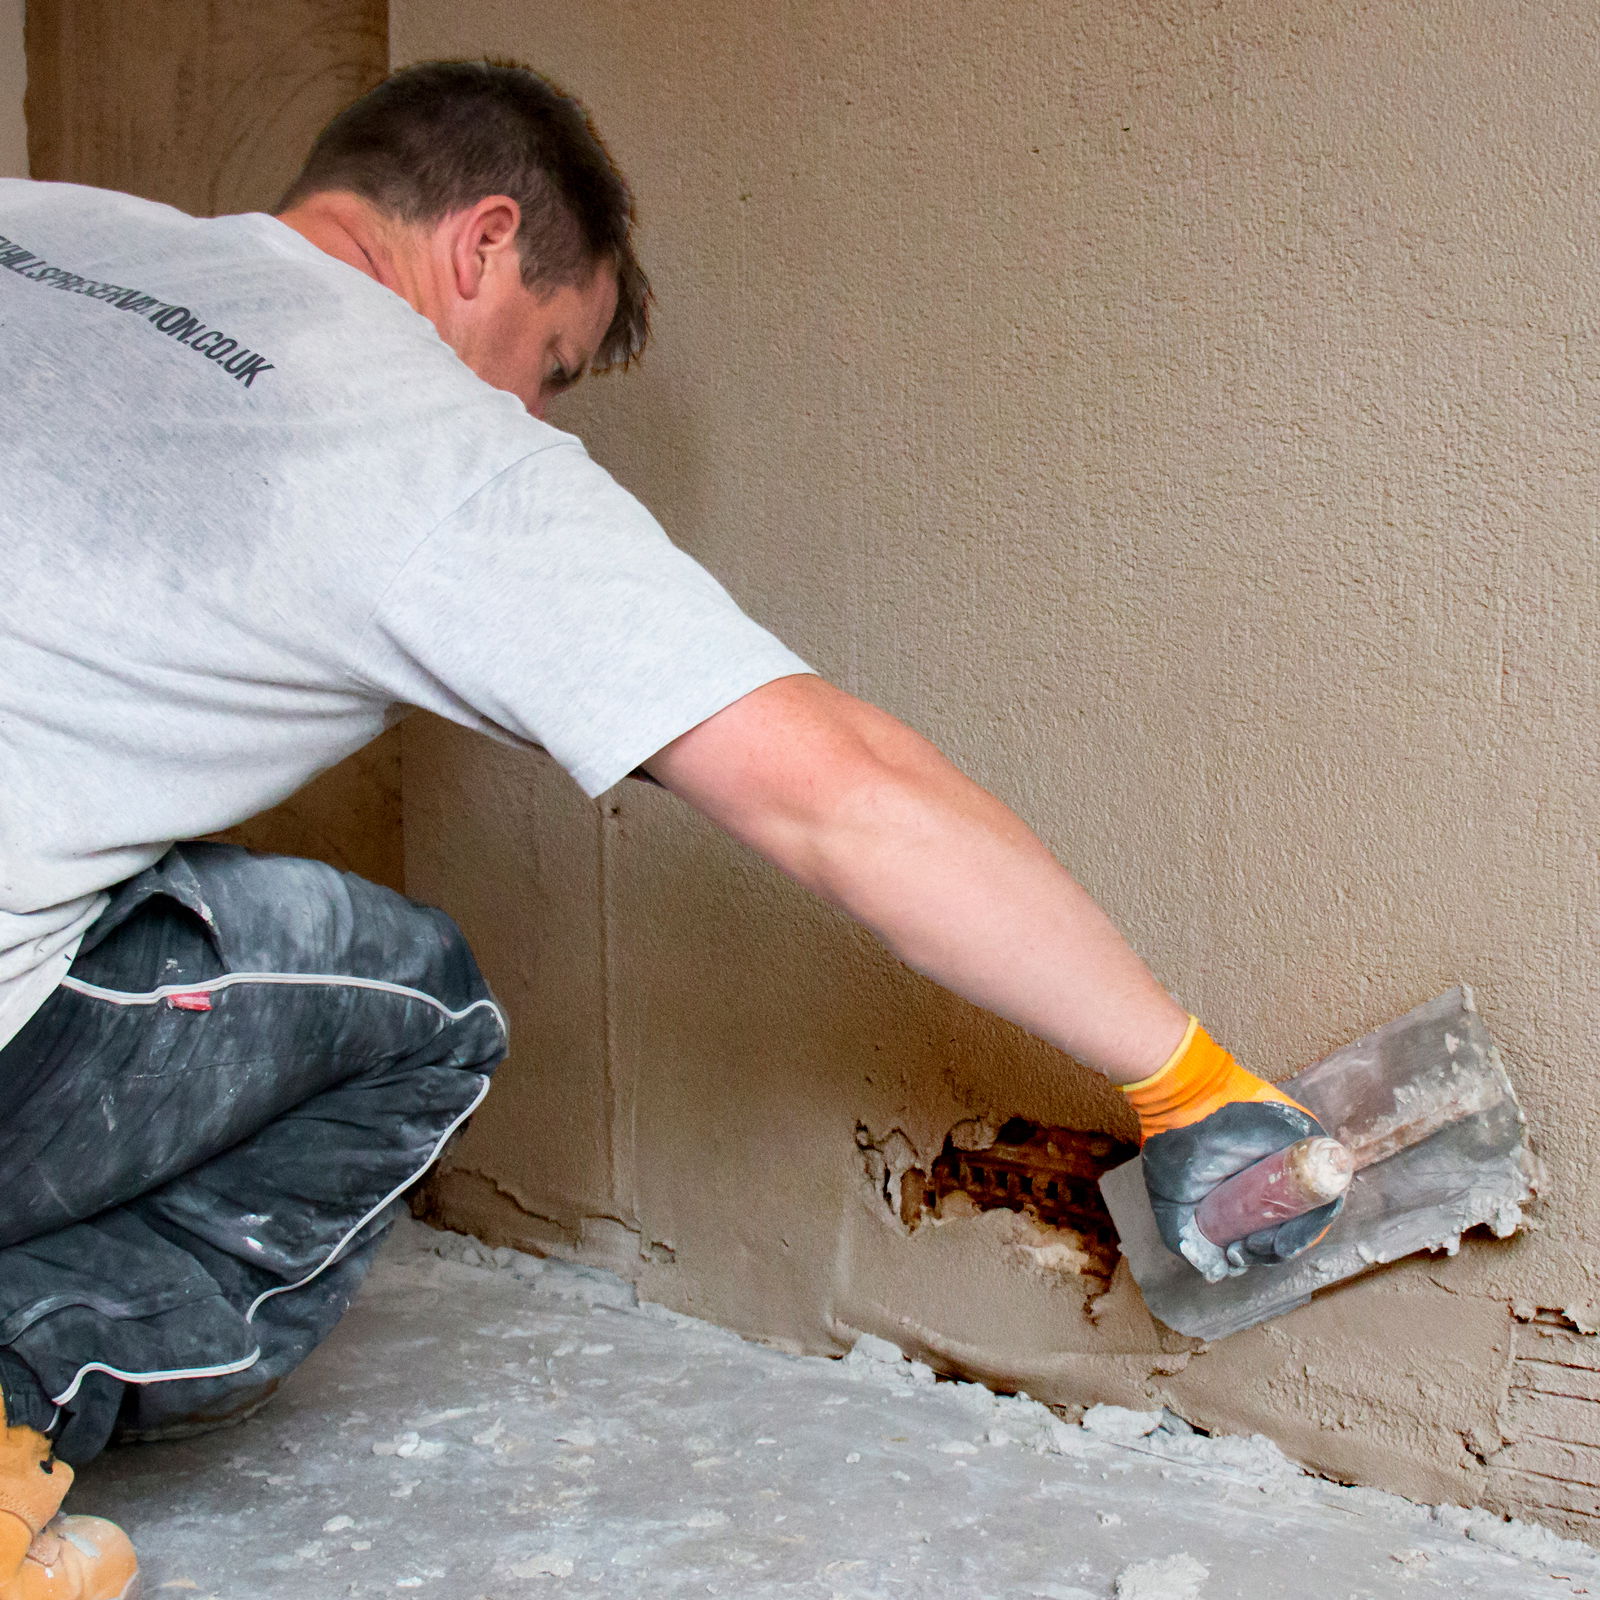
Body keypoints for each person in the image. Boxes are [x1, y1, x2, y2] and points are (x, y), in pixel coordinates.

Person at [0, 60, 1339, 1598]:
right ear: (482, 243)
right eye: (549, 362)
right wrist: (1183, 1075)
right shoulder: (419, 443)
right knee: (415, 1006)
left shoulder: (41, 222)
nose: (522, 404)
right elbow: (842, 797)